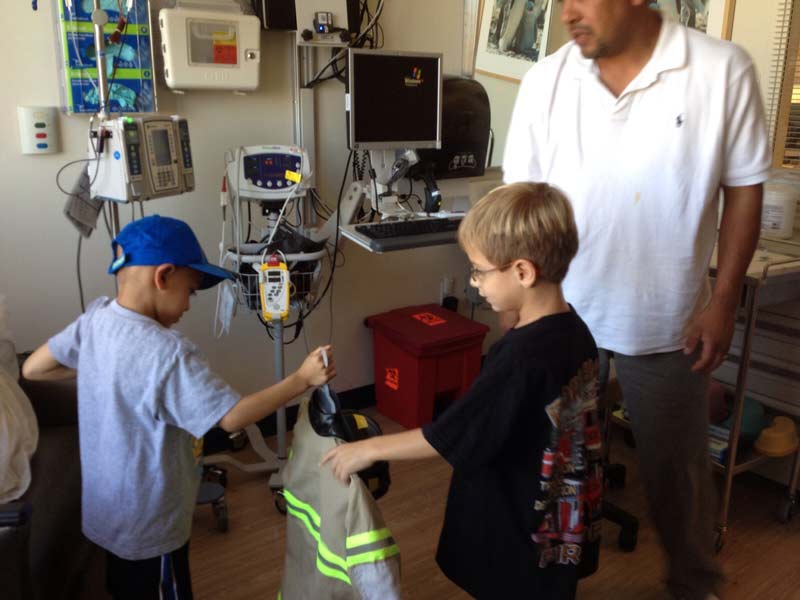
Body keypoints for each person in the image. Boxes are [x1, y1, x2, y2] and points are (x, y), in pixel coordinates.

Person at [502, 2, 770, 599]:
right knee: (550, 474)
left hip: (670, 319)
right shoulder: (546, 81)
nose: (567, 10)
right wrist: (513, 316)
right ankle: (549, 586)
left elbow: (744, 191)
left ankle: (694, 585)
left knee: (680, 482)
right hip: (560, 317)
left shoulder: (721, 70)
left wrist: (724, 301)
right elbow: (519, 207)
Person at [21, 215, 336, 600]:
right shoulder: (167, 353)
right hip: (150, 529)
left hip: (104, 516)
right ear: (163, 276)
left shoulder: (95, 321)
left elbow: (33, 368)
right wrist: (301, 380)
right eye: (190, 290)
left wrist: (101, 372)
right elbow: (232, 416)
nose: (189, 304)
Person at [322, 182, 603, 599]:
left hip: (521, 527)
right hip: (563, 517)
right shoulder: (576, 331)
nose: (474, 283)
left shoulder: (519, 358)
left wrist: (366, 450)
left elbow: (451, 434)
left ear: (522, 272)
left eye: (479, 270)